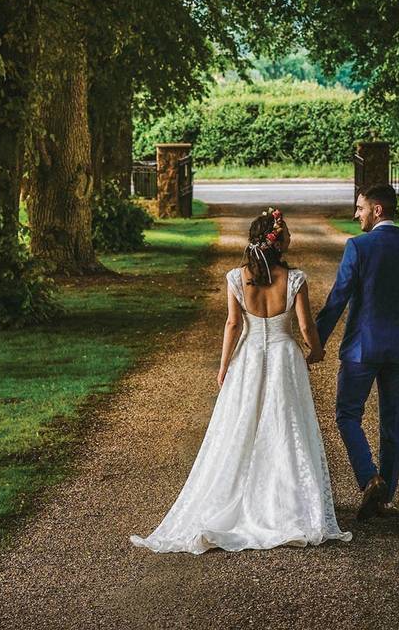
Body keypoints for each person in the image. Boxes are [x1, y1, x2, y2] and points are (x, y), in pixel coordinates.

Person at [130, 208, 352, 554]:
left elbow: (233, 325)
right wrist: (317, 350)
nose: (291, 238)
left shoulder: (237, 277)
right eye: (287, 234)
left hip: (248, 357)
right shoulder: (294, 279)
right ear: (278, 242)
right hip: (283, 356)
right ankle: (286, 503)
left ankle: (238, 496)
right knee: (285, 424)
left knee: (240, 425)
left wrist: (223, 367)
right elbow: (306, 327)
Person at [315, 183, 399, 521]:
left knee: (347, 414)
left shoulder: (359, 247)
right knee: (392, 422)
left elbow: (338, 298)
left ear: (377, 210)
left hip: (361, 348)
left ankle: (370, 478)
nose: (356, 215)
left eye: (360, 208)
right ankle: (385, 499)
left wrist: (317, 341)